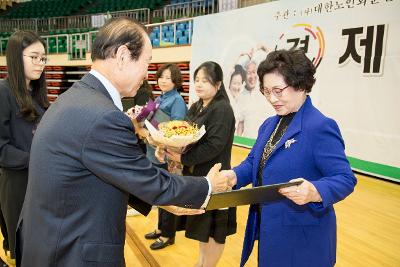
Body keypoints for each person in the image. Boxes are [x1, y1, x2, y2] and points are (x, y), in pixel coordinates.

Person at [16, 17, 229, 267]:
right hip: (70, 252)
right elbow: (145, 177)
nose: (148, 73)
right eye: (147, 62)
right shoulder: (103, 115)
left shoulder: (76, 98)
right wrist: (206, 185)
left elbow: (99, 175)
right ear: (123, 55)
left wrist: (161, 198)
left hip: (51, 240)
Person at [221, 49, 357, 267]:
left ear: (301, 85)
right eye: (266, 91)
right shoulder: (270, 124)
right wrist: (233, 176)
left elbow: (345, 178)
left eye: (278, 90)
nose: (271, 99)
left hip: (303, 241)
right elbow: (254, 162)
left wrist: (315, 191)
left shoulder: (320, 126)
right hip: (271, 233)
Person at [163, 61, 237, 267]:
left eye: (205, 80)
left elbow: (214, 146)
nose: (199, 84)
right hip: (200, 178)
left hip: (217, 178)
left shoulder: (222, 109)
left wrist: (182, 158)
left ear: (218, 84)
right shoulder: (197, 105)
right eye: (196, 80)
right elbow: (184, 132)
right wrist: (171, 145)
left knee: (215, 229)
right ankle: (202, 262)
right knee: (203, 228)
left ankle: (208, 265)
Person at [0, 30, 49, 264]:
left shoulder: (37, 94)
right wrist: (35, 158)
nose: (40, 63)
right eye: (34, 57)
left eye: (43, 58)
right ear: (16, 57)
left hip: (40, 181)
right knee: (25, 253)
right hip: (17, 184)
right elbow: (1, 148)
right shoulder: (3, 92)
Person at [142, 63, 188, 250]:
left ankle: (168, 234)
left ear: (176, 81)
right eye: (161, 76)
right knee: (159, 193)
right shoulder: (159, 98)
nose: (163, 80)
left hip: (168, 156)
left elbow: (175, 131)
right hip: (154, 153)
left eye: (168, 77)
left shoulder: (176, 100)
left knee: (168, 194)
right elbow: (147, 120)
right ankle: (161, 228)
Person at [227, 64, 246, 135]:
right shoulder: (226, 96)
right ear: (229, 83)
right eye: (234, 83)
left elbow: (240, 124)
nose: (237, 87)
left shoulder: (240, 100)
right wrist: (240, 55)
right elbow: (229, 73)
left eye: (239, 83)